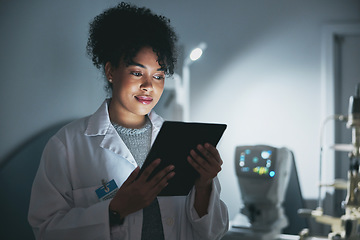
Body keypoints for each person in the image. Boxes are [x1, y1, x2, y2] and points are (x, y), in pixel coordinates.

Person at [28, 2, 229, 240]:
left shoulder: (180, 142)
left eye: (158, 76)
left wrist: (205, 185)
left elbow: (214, 233)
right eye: (137, 72)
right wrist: (116, 209)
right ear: (110, 71)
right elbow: (45, 230)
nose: (148, 86)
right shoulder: (67, 145)